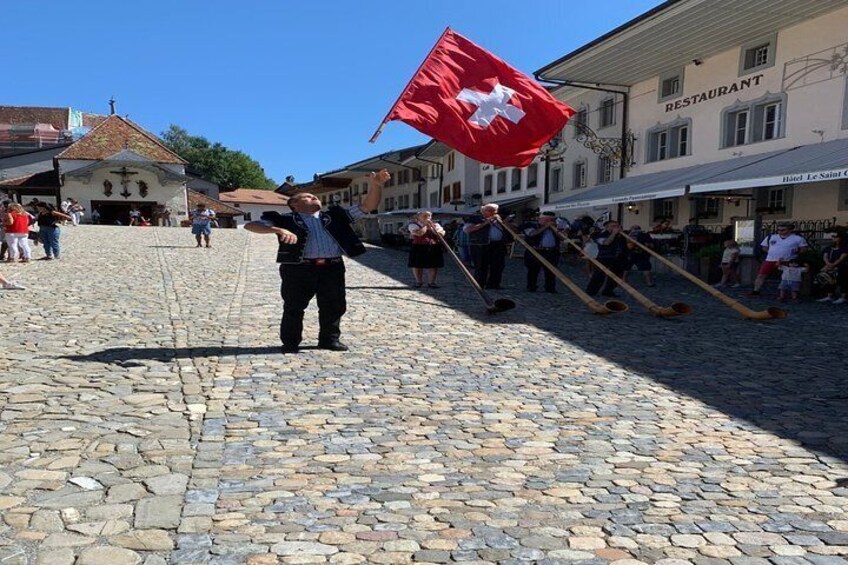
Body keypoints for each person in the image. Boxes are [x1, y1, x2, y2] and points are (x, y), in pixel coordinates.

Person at [244, 169, 390, 354]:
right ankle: (290, 343)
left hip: (332, 267)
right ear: (294, 205)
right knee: (294, 306)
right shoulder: (284, 219)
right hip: (299, 269)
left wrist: (376, 185)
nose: (313, 197)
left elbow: (367, 206)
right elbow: (251, 225)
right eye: (307, 196)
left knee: (334, 305)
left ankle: (329, 340)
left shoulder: (334, 216)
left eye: (314, 196)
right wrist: (278, 230)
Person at [748, 222, 808, 297]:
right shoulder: (771, 237)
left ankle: (787, 293)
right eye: (779, 230)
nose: (780, 232)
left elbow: (804, 249)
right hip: (770, 260)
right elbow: (764, 247)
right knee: (761, 275)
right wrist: (773, 253)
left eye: (783, 230)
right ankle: (756, 291)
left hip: (787, 261)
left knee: (788, 277)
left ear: (790, 230)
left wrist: (794, 252)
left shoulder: (798, 238)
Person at [463, 203, 514, 290]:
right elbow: (468, 230)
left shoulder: (501, 219)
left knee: (498, 266)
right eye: (490, 210)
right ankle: (479, 285)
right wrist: (486, 222)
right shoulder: (475, 219)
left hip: (498, 245)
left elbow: (513, 230)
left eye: (495, 211)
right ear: (483, 211)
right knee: (481, 266)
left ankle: (494, 284)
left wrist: (503, 222)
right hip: (481, 245)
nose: (493, 212)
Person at [521, 211, 563, 293]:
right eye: (547, 220)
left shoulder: (556, 227)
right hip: (536, 251)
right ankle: (531, 287)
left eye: (552, 220)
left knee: (551, 271)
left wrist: (555, 229)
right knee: (533, 270)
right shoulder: (532, 225)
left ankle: (550, 288)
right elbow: (531, 234)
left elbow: (563, 238)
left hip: (551, 252)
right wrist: (545, 227)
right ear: (541, 219)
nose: (550, 222)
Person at [586, 220, 628, 297]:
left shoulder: (620, 236)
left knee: (615, 276)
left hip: (617, 258)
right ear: (607, 227)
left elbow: (624, 246)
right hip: (603, 257)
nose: (616, 228)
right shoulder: (600, 234)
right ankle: (590, 292)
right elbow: (606, 243)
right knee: (599, 275)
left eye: (617, 226)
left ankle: (608, 291)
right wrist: (614, 233)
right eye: (613, 226)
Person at [407, 211, 445, 288]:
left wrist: (433, 228)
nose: (427, 218)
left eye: (429, 216)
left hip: (433, 246)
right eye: (424, 216)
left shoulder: (436, 225)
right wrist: (425, 225)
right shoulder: (413, 225)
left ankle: (431, 282)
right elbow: (419, 233)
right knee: (417, 265)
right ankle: (419, 281)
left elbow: (441, 234)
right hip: (418, 246)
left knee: (433, 265)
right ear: (418, 218)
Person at [817, 230, 848, 305]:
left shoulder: (844, 247)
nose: (833, 238)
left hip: (841, 266)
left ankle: (843, 297)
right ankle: (829, 296)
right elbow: (825, 256)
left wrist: (833, 265)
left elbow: (842, 258)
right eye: (832, 237)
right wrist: (828, 264)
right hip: (830, 266)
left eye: (835, 237)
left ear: (840, 238)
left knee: (842, 280)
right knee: (828, 280)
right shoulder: (829, 248)